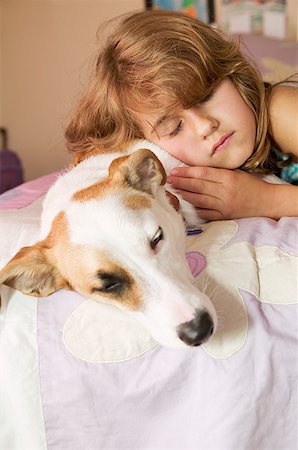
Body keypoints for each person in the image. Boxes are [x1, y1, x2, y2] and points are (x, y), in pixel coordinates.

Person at [65, 9, 298, 220]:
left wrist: (268, 200)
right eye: (174, 128)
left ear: (232, 73)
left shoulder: (280, 109)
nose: (205, 126)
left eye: (206, 96)